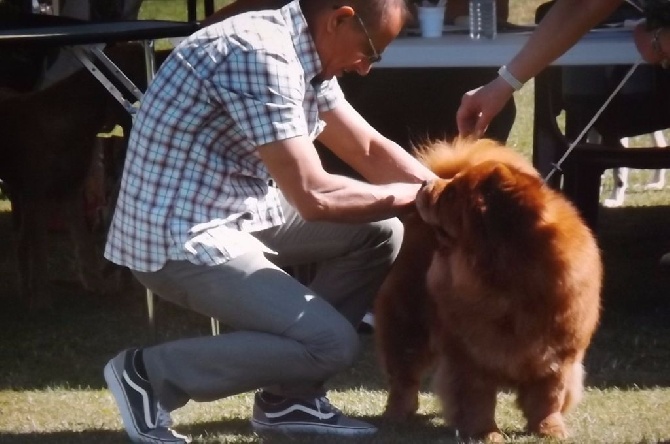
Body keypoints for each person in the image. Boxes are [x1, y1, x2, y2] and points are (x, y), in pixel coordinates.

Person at [102, 0, 436, 442]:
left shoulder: (303, 52)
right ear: (339, 19)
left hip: (236, 211)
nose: (365, 69)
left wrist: (445, 190)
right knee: (333, 345)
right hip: (179, 238)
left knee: (380, 233)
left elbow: (367, 149)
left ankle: (288, 400)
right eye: (369, 51)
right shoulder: (259, 53)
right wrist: (420, 197)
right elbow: (314, 195)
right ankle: (149, 374)